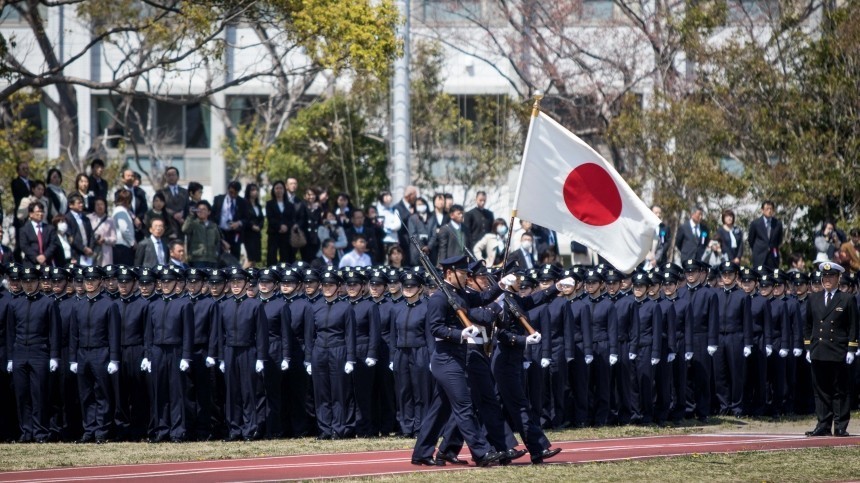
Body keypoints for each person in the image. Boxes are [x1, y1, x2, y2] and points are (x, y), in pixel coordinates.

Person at [410, 256, 507, 467]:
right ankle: (481, 453)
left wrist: (500, 286)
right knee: (464, 406)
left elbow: (482, 298)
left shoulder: (458, 294)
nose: (465, 277)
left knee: (439, 410)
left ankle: (421, 453)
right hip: (445, 359)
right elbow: (435, 328)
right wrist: (460, 333)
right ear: (449, 274)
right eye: (462, 273)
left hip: (456, 357)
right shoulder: (439, 298)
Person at [804, 262, 858, 437]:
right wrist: (807, 347)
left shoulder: (847, 299)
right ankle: (823, 424)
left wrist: (851, 348)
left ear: (838, 278)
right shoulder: (814, 298)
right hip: (819, 349)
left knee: (839, 390)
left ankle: (840, 425)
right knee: (820, 390)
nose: (827, 280)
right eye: (825, 277)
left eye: (831, 277)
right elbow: (809, 324)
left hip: (837, 350)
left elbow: (853, 326)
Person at [7, 266, 60, 443]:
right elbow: (10, 333)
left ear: (38, 282)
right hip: (20, 351)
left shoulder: (48, 303)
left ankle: (40, 432)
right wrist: (10, 357)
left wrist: (54, 356)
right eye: (25, 282)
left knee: (39, 394)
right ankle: (26, 431)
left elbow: (54, 332)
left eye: (31, 281)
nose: (28, 285)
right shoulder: (15, 303)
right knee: (22, 394)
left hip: (40, 351)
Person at [69, 266, 121, 444]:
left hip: (101, 352)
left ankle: (101, 430)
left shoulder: (109, 304)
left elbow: (113, 333)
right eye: (87, 280)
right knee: (85, 394)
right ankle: (89, 429)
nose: (89, 283)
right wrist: (72, 358)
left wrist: (114, 358)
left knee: (102, 393)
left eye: (93, 280)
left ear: (100, 281)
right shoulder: (78, 305)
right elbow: (74, 334)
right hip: (83, 352)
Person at [142, 267, 193, 443]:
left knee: (176, 392)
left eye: (169, 282)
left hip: (176, 350)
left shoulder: (184, 304)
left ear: (176, 283)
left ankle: (177, 431)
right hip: (157, 351)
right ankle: (162, 429)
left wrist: (186, 356)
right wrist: (148, 356)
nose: (165, 285)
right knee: (160, 391)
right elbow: (148, 333)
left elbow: (188, 333)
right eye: (163, 282)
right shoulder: (153, 305)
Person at [305, 269, 356, 440]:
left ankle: (338, 428)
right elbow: (310, 335)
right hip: (319, 351)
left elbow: (350, 335)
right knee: (321, 393)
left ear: (338, 287)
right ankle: (324, 429)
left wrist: (350, 359)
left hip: (338, 349)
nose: (327, 288)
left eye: (331, 285)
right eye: (325, 285)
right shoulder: (315, 307)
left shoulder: (345, 307)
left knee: (339, 392)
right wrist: (308, 359)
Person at [113, 267, 151, 441]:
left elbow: (146, 333)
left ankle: (138, 430)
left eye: (126, 282)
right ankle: (121, 429)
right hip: (117, 351)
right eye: (120, 282)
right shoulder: (113, 304)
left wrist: (146, 355)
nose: (123, 285)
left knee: (137, 393)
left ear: (134, 283)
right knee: (119, 392)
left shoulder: (142, 304)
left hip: (136, 350)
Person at [343, 269, 381, 437]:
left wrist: (372, 354)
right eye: (349, 285)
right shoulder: (343, 304)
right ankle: (350, 426)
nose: (351, 288)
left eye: (355, 285)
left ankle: (365, 427)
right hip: (345, 352)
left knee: (363, 393)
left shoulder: (369, 306)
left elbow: (374, 332)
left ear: (363, 286)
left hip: (363, 350)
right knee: (346, 392)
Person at [254, 268, 290, 439]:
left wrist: (285, 356)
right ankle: (259, 426)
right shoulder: (253, 302)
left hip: (274, 349)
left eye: (268, 282)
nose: (264, 285)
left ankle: (274, 428)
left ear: (275, 285)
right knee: (258, 391)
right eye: (261, 282)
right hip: (255, 349)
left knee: (273, 392)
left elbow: (285, 333)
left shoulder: (281, 305)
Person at [212, 181, 250, 260]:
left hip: (235, 233)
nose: (233, 195)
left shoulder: (242, 202)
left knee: (235, 256)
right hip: (221, 231)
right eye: (231, 192)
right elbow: (212, 215)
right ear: (228, 189)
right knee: (220, 255)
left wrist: (238, 223)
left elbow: (246, 218)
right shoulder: (218, 199)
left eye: (235, 193)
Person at [183, 200, 224, 269]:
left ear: (209, 212)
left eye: (204, 209)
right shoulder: (193, 223)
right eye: (199, 209)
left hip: (212, 259)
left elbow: (217, 240)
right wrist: (190, 215)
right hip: (197, 258)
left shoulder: (213, 225)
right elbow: (184, 229)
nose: (201, 211)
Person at [266, 180, 296, 265]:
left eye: (281, 188)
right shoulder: (269, 204)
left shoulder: (290, 205)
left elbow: (292, 219)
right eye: (277, 188)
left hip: (286, 235)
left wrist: (286, 226)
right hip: (274, 233)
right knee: (272, 256)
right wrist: (280, 226)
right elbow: (270, 218)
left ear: (284, 190)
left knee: (285, 256)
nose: (279, 190)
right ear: (273, 190)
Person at [19, 202, 58, 267]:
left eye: (42, 211)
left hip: (47, 263)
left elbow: (53, 244)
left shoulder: (50, 228)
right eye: (38, 211)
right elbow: (24, 246)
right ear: (31, 214)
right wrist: (36, 257)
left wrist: (45, 256)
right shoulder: (24, 230)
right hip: (30, 264)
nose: (41, 214)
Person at [748, 200, 784, 269]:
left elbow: (779, 240)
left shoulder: (778, 223)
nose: (769, 211)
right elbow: (751, 240)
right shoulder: (755, 223)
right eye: (767, 209)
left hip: (773, 257)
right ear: (762, 210)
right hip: (759, 256)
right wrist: (758, 249)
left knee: (772, 277)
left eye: (771, 209)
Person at [157, 167, 188, 241]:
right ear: (166, 177)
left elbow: (187, 206)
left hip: (182, 226)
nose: (171, 177)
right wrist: (174, 214)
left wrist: (182, 216)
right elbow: (161, 208)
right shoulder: (162, 192)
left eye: (173, 175)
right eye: (169, 175)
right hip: (168, 227)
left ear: (178, 176)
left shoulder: (184, 192)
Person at [406, 197, 438, 266]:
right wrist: (422, 246)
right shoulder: (412, 218)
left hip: (430, 252)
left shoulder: (432, 218)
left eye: (422, 204)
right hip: (416, 252)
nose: (420, 206)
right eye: (418, 205)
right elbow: (412, 235)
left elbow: (434, 234)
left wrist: (428, 247)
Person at [119, 169, 148, 242]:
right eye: (128, 176)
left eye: (132, 176)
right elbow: (121, 208)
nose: (130, 178)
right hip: (125, 226)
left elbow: (144, 208)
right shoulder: (119, 193)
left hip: (139, 227)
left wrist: (139, 218)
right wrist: (134, 218)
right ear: (123, 178)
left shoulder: (140, 192)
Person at [295, 188, 323, 262]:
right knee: (307, 261)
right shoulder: (302, 206)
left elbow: (320, 222)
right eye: (309, 194)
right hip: (306, 238)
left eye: (313, 194)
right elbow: (301, 220)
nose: (311, 196)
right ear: (305, 196)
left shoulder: (318, 208)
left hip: (316, 238)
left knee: (316, 260)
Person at [88, 198, 117, 266]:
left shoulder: (110, 220)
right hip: (92, 249)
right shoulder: (89, 218)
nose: (99, 207)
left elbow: (114, 239)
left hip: (105, 252)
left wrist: (105, 239)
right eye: (97, 205)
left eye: (101, 204)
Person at [112, 190, 136, 266]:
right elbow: (124, 229)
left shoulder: (122, 210)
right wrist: (132, 242)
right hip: (122, 246)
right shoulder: (120, 211)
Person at [243, 183, 264, 267]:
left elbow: (262, 218)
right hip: (248, 234)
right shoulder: (244, 204)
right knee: (249, 258)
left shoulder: (258, 205)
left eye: (256, 190)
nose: (255, 192)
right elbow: (245, 217)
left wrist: (259, 226)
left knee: (254, 259)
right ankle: (241, 275)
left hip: (257, 235)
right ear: (248, 191)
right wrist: (252, 226)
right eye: (252, 190)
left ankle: (252, 276)